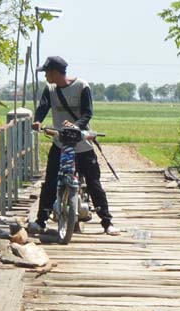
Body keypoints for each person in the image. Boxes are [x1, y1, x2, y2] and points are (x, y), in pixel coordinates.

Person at [28, 56, 120, 236]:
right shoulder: (50, 89)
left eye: (47, 72)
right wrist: (38, 120)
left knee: (94, 183)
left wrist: (76, 125)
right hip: (60, 142)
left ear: (54, 72)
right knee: (50, 181)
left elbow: (88, 113)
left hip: (81, 143)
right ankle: (41, 222)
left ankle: (107, 223)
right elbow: (43, 107)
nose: (45, 76)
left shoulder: (81, 86)